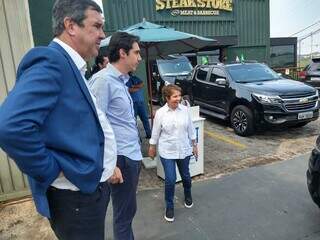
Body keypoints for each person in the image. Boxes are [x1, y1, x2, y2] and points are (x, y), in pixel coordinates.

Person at [0, 0, 123, 239]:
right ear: (70, 26)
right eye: (96, 26)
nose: (102, 34)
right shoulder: (51, 62)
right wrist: (51, 169)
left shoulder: (72, 66)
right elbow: (9, 127)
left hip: (88, 191)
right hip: (75, 200)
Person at [90, 32, 142, 240]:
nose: (139, 57)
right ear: (122, 53)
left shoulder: (120, 81)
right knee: (123, 215)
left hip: (130, 155)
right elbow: (94, 126)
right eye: (136, 52)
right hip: (120, 159)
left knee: (127, 213)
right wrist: (109, 163)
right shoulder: (103, 81)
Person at [148, 84, 198, 222]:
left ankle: (188, 194)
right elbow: (156, 132)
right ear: (167, 98)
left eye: (179, 96)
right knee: (170, 180)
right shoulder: (160, 113)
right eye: (175, 96)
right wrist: (152, 146)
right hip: (167, 151)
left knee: (186, 176)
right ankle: (169, 206)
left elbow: (191, 129)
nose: (178, 99)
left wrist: (194, 145)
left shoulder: (185, 110)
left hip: (183, 150)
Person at [126, 73, 152, 138]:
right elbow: (129, 90)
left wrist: (134, 86)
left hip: (140, 102)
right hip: (132, 103)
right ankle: (137, 137)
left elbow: (142, 84)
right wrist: (137, 87)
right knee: (134, 121)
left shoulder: (134, 77)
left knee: (145, 118)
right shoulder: (125, 80)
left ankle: (149, 134)